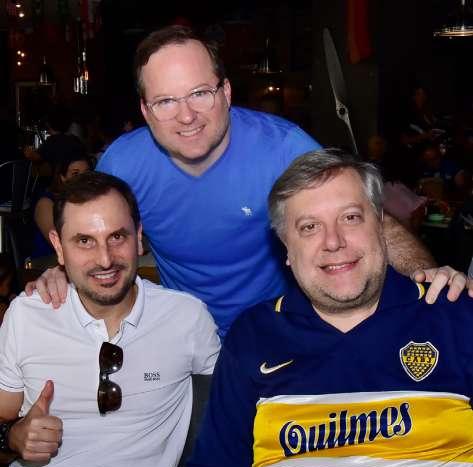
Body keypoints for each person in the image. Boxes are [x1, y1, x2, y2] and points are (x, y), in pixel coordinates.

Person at [28, 26, 469, 336]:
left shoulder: (283, 149)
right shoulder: (125, 162)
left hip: (281, 327)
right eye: (166, 101)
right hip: (185, 335)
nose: (186, 116)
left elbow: (366, 222)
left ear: (225, 92)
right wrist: (61, 274)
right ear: (145, 110)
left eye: (200, 93)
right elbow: (84, 229)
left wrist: (424, 275)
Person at [188, 149, 473, 467]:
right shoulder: (255, 333)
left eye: (350, 218)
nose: (334, 241)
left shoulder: (454, 315)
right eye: (309, 227)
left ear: (381, 226)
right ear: (286, 248)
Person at [0, 172, 219, 467]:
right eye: (84, 241)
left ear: (139, 237)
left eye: (117, 237)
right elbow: (3, 416)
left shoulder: (187, 318)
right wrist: (13, 437)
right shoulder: (29, 314)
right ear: (58, 247)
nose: (104, 259)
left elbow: (230, 417)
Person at [32, 150, 91, 258]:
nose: (82, 179)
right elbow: (59, 244)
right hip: (49, 261)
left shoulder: (90, 201)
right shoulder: (46, 203)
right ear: (63, 177)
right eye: (75, 174)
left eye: (86, 173)